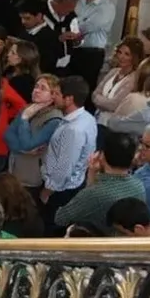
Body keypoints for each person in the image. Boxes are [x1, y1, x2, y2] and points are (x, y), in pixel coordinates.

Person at [54, 131, 146, 234]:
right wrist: (92, 174)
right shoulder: (139, 186)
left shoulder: (95, 194)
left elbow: (61, 218)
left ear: (102, 156)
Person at [39, 76, 97, 226]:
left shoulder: (73, 130)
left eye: (57, 94)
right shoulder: (87, 118)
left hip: (60, 192)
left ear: (69, 99)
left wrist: (47, 191)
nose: (53, 97)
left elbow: (64, 168)